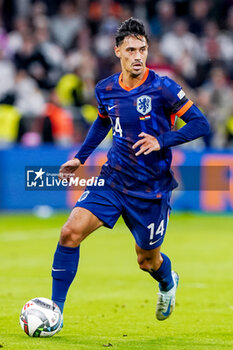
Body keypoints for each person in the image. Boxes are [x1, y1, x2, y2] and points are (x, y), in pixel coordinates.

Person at [51, 18, 210, 324]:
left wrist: (161, 140)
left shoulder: (163, 87)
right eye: (131, 50)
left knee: (146, 261)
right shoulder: (106, 89)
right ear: (118, 52)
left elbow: (200, 123)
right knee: (70, 232)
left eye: (143, 49)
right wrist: (81, 158)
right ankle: (55, 311)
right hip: (113, 179)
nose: (138, 56)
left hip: (150, 190)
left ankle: (167, 281)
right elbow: (102, 120)